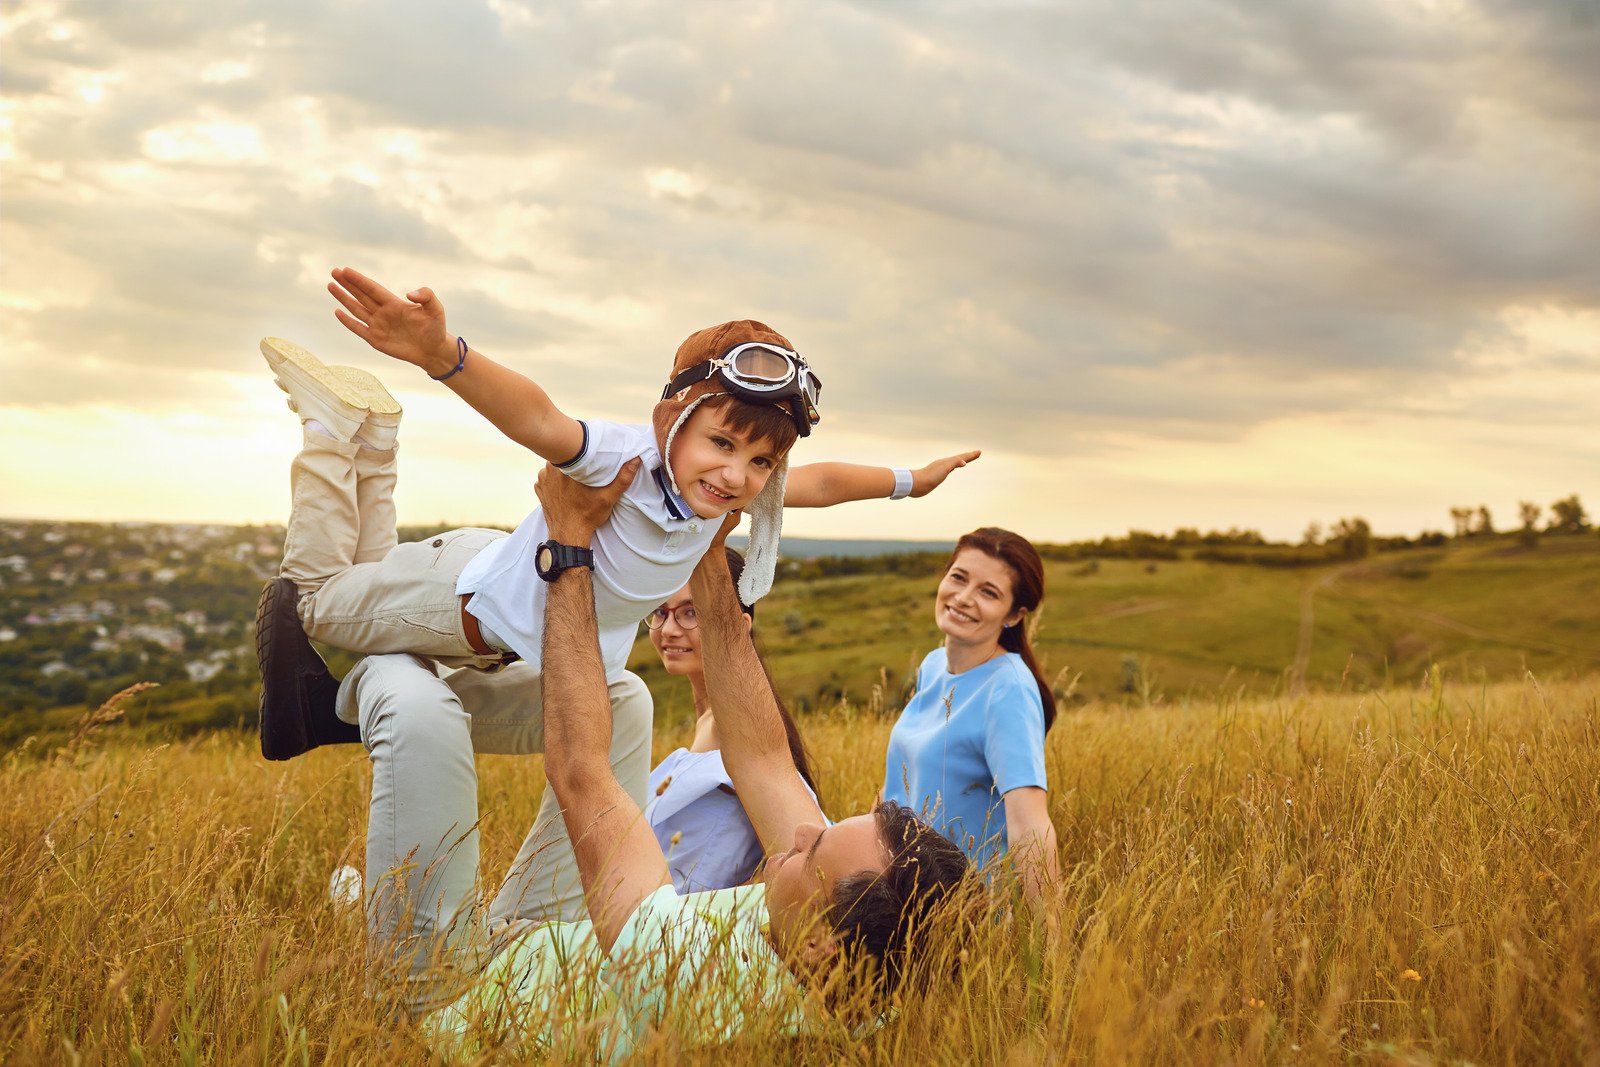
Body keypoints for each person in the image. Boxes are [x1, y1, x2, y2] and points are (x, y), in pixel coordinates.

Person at [261, 459, 972, 1055]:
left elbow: (580, 771)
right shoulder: (859, 959)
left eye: (813, 854)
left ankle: (330, 697)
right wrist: (706, 537)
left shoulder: (684, 975)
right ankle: (341, 689)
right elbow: (762, 756)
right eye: (825, 825)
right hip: (538, 938)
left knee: (416, 708)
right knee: (625, 696)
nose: (802, 833)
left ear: (820, 948)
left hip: (451, 994)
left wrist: (567, 547)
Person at [257, 266, 979, 757]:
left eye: (759, 461)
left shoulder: (714, 496)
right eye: (721, 443)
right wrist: (444, 354)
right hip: (452, 605)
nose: (738, 475)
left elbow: (818, 482)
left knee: (368, 580)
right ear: (674, 419)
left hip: (487, 615)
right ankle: (330, 430)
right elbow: (540, 419)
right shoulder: (628, 461)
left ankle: (373, 437)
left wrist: (913, 481)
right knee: (318, 604)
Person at [881, 528, 1060, 899]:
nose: (963, 598)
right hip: (897, 883)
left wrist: (1049, 950)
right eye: (958, 578)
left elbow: (1030, 827)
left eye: (988, 592)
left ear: (1013, 615)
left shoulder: (1007, 689)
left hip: (959, 907)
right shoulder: (933, 666)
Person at [644, 547, 822, 893]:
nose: (668, 629)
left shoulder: (736, 729)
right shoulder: (710, 720)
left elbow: (803, 847)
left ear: (739, 626)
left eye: (690, 612)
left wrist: (726, 906)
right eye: (659, 611)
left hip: (690, 928)